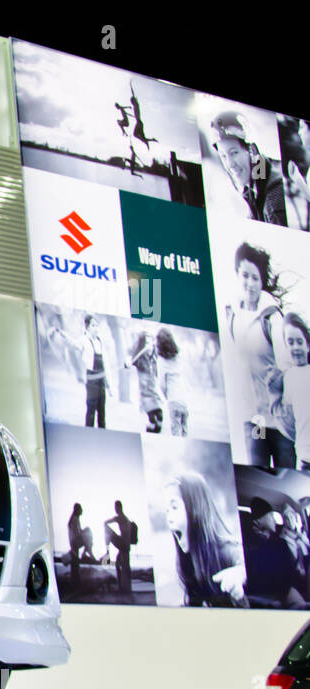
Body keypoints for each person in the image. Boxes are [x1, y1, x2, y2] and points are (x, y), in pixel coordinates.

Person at [224, 242, 295, 467]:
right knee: (258, 470)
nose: (249, 283)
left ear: (262, 282)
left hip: (280, 420)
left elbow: (287, 366)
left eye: (255, 278)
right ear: (237, 275)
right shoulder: (231, 316)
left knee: (286, 475)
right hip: (255, 421)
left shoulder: (272, 319)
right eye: (245, 275)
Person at [162, 473, 248, 607]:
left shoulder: (229, 550)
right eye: (167, 510)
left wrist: (241, 574)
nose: (169, 519)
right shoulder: (188, 561)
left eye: (174, 507)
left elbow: (243, 565)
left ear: (196, 509)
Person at [208, 111, 287, 225]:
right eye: (223, 156)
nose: (230, 164)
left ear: (252, 150)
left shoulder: (274, 198)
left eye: (234, 153)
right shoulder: (255, 186)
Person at [125, 331, 164, 433]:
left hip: (155, 394)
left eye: (151, 343)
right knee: (152, 419)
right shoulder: (140, 360)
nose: (149, 346)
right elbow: (129, 361)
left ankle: (154, 433)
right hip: (146, 395)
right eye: (146, 343)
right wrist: (127, 362)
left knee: (160, 417)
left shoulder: (155, 358)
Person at [156, 327, 189, 437]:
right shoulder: (178, 357)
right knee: (185, 430)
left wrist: (167, 397)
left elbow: (161, 384)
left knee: (176, 432)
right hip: (184, 398)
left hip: (173, 399)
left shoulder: (162, 361)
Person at [104, 501, 135, 595]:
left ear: (119, 508)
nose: (115, 510)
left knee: (106, 529)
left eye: (116, 508)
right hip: (125, 546)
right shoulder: (124, 518)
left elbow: (106, 522)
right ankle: (123, 587)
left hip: (123, 545)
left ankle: (107, 552)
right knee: (118, 565)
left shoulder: (120, 517)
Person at [67, 503, 94, 586]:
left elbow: (78, 532)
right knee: (88, 533)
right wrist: (85, 531)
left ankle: (86, 553)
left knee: (88, 534)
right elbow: (77, 533)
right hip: (75, 542)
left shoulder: (74, 519)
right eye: (81, 509)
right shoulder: (75, 519)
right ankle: (87, 553)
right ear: (78, 510)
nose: (82, 511)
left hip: (74, 542)